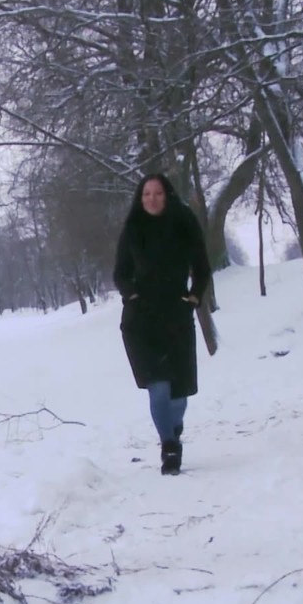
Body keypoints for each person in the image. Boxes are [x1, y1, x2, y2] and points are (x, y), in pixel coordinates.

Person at [112, 172, 211, 475]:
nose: (152, 199)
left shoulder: (184, 223)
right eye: (146, 194)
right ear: (140, 198)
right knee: (158, 388)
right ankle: (169, 445)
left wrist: (194, 298)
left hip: (176, 316)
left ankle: (173, 427)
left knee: (178, 394)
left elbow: (202, 268)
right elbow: (120, 273)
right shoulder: (133, 227)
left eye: (157, 193)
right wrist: (132, 295)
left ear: (167, 195)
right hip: (142, 320)